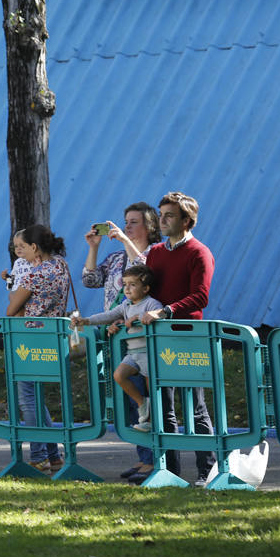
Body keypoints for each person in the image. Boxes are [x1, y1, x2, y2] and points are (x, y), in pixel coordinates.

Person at [139, 191, 216, 485]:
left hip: (188, 337)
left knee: (196, 407)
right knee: (164, 407)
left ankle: (206, 471)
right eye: (161, 214)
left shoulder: (199, 252)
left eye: (169, 215)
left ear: (187, 220)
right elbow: (145, 292)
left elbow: (201, 296)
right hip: (158, 339)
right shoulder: (156, 252)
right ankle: (170, 473)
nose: (163, 220)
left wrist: (167, 311)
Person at [81, 202, 161, 481]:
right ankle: (143, 458)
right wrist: (93, 247)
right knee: (131, 399)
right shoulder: (116, 258)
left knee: (146, 395)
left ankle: (154, 460)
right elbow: (90, 280)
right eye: (125, 221)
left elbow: (143, 267)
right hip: (118, 335)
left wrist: (127, 241)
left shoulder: (154, 253)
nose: (126, 226)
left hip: (141, 339)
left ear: (150, 226)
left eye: (134, 222)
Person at [72, 264, 162, 433]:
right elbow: (109, 315)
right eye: (125, 284)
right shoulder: (126, 305)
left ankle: (152, 420)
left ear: (146, 288)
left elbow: (159, 314)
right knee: (119, 375)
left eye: (133, 284)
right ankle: (143, 404)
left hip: (148, 353)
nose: (127, 289)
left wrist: (138, 317)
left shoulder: (150, 303)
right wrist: (87, 321)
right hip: (132, 353)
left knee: (154, 390)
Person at [8, 224, 67, 473]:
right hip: (52, 336)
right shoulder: (61, 265)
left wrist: (14, 287)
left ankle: (38, 454)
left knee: (28, 398)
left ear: (34, 247)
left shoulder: (35, 273)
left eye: (23, 247)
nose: (19, 253)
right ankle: (53, 455)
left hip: (29, 337)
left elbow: (11, 309)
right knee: (37, 396)